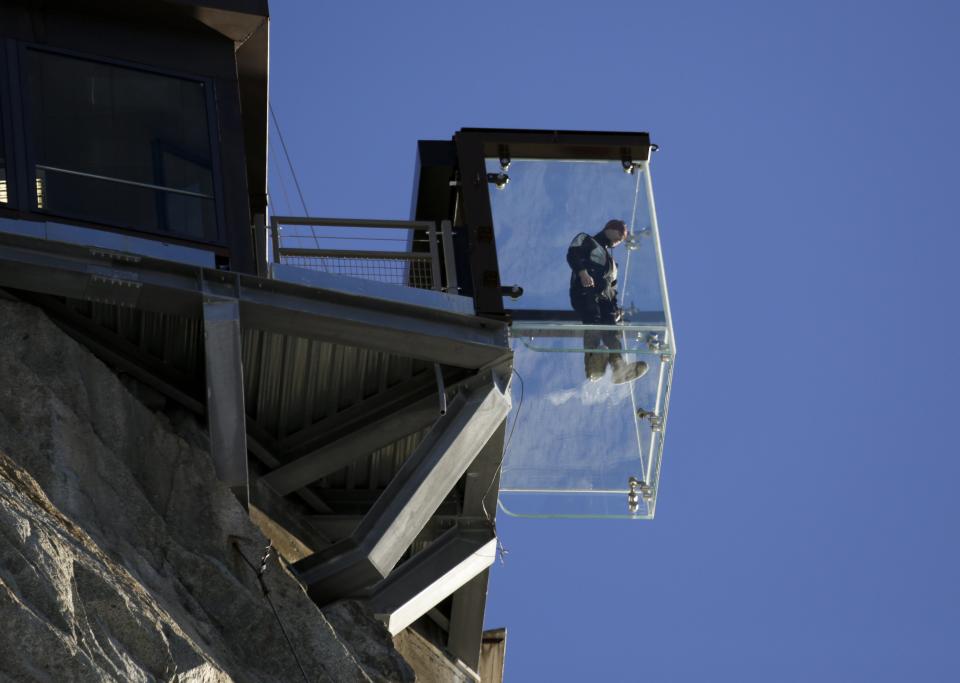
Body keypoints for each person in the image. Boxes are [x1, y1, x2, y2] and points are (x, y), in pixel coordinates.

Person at [567, 219, 648, 384]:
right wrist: (582, 273)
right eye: (619, 232)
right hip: (585, 290)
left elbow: (612, 288)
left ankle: (619, 367)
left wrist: (616, 309)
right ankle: (593, 363)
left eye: (623, 236)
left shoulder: (612, 264)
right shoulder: (587, 240)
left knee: (610, 327)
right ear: (609, 229)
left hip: (605, 299)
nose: (621, 238)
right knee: (593, 318)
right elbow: (573, 253)